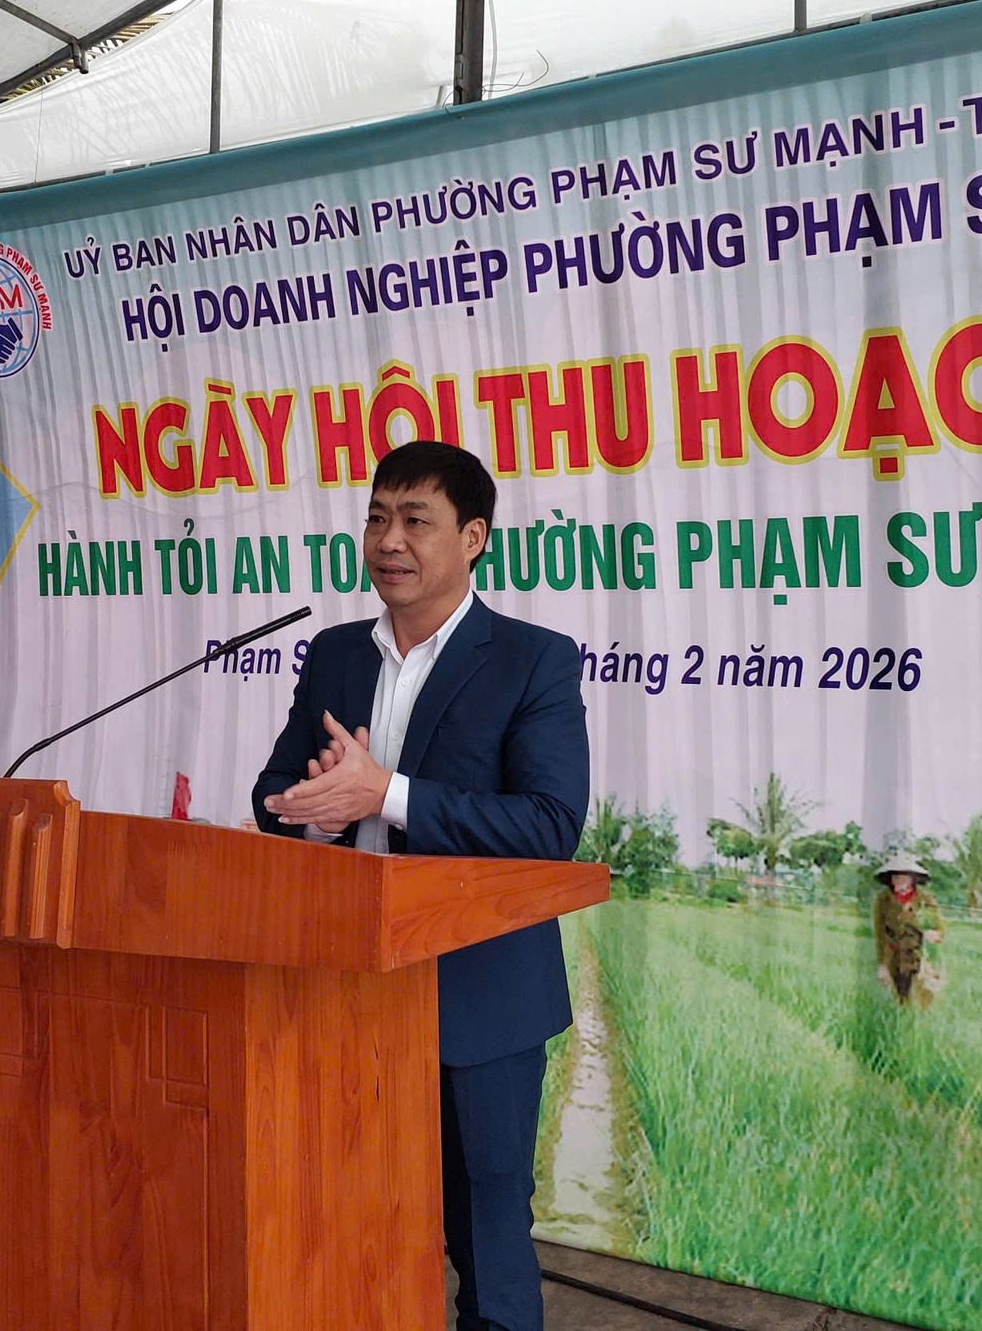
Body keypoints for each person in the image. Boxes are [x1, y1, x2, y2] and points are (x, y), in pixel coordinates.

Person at [252, 440, 589, 1331]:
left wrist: (386, 794)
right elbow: (273, 794)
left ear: (473, 538)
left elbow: (550, 825)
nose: (388, 540)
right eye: (376, 518)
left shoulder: (532, 660)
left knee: (486, 1238)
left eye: (414, 520)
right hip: (342, 994)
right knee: (347, 1224)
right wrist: (315, 812)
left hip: (478, 1003)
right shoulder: (334, 655)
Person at [871, 852, 945, 1007]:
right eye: (895, 877)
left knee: (923, 997)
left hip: (920, 956)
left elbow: (940, 930)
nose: (898, 881)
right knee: (902, 1000)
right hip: (895, 957)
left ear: (912, 879)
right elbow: (880, 934)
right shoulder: (883, 900)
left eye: (903, 877)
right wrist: (882, 965)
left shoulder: (925, 900)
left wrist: (934, 934)